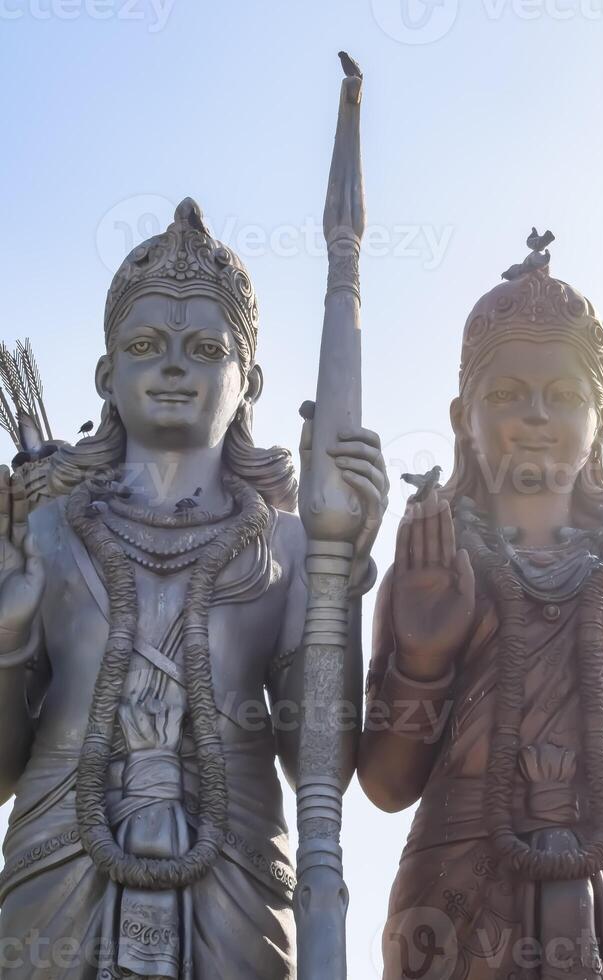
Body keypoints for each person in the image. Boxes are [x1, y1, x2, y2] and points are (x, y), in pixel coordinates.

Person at [0, 198, 387, 978]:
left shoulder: (286, 546)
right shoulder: (45, 532)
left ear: (250, 381)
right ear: (107, 374)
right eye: (147, 345)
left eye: (205, 347)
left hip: (236, 884)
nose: (174, 365)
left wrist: (334, 581)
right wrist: (6, 638)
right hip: (55, 877)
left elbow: (321, 762)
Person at [359, 238, 603, 980]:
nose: (532, 415)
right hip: (460, 891)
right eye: (504, 394)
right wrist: (421, 661)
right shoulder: (433, 562)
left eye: (562, 396)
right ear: (462, 415)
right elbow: (387, 785)